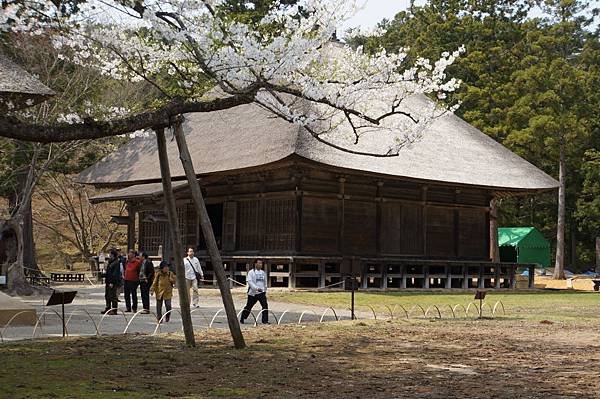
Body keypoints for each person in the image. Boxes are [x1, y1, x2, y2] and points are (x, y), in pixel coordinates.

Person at [240, 258, 269, 324]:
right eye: (259, 263)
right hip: (253, 293)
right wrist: (256, 288)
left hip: (261, 293)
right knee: (249, 306)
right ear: (255, 264)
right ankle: (243, 318)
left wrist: (265, 289)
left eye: (261, 263)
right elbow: (250, 282)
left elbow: (265, 282)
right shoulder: (251, 272)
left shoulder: (263, 273)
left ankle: (265, 321)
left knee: (265, 306)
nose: (260, 264)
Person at [101, 249, 121, 315]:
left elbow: (115, 274)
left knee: (113, 296)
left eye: (110, 254)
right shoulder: (110, 262)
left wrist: (112, 282)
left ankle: (114, 309)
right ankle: (108, 308)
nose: (109, 255)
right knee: (107, 295)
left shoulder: (116, 262)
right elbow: (108, 272)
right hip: (108, 281)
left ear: (113, 255)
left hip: (112, 282)